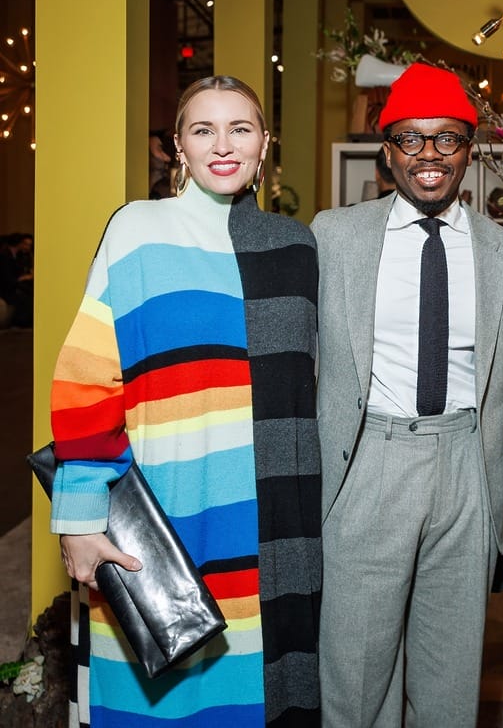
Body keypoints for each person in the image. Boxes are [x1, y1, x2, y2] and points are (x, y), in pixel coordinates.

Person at [50, 75, 322, 726]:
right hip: (163, 509)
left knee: (264, 693)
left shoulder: (296, 246)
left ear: (265, 143)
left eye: (240, 129)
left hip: (271, 521)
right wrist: (81, 517)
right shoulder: (136, 231)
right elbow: (87, 377)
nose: (223, 145)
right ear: (179, 145)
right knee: (156, 697)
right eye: (204, 130)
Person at [312, 61, 503, 728]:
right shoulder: (335, 236)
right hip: (370, 462)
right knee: (357, 673)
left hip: (468, 466)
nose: (429, 154)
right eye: (411, 138)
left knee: (450, 676)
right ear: (387, 151)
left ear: (469, 150)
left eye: (447, 138)